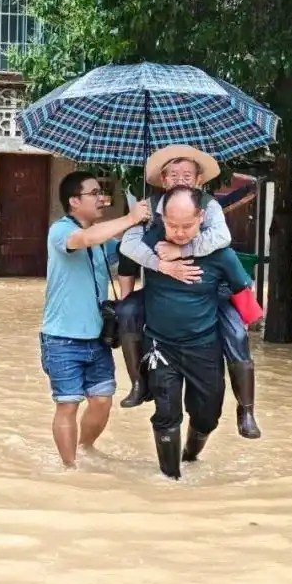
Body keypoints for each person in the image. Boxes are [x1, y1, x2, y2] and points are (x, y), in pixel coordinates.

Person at [117, 145, 262, 440]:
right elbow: (128, 247)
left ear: (198, 180)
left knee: (235, 334)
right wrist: (161, 264)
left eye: (187, 174)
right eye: (173, 174)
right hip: (163, 289)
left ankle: (246, 410)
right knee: (126, 311)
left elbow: (222, 238)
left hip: (210, 289)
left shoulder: (209, 206)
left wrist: (182, 248)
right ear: (163, 179)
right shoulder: (147, 207)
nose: (180, 179)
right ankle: (137, 382)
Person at [139, 185, 262, 479]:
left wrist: (248, 322)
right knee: (166, 415)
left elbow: (243, 291)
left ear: (202, 217)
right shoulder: (148, 242)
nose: (179, 232)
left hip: (204, 347)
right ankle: (171, 480)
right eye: (172, 225)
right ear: (161, 218)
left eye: (187, 225)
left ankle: (189, 456)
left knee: (207, 417)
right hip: (160, 344)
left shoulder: (220, 254)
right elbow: (126, 260)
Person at [41, 170, 151, 468]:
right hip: (62, 337)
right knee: (68, 404)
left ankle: (84, 448)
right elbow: (85, 238)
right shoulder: (60, 231)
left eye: (102, 192)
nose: (102, 198)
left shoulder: (104, 240)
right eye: (94, 193)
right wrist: (129, 218)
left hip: (98, 337)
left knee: (102, 402)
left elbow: (131, 253)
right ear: (74, 201)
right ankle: (69, 468)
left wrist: (149, 226)